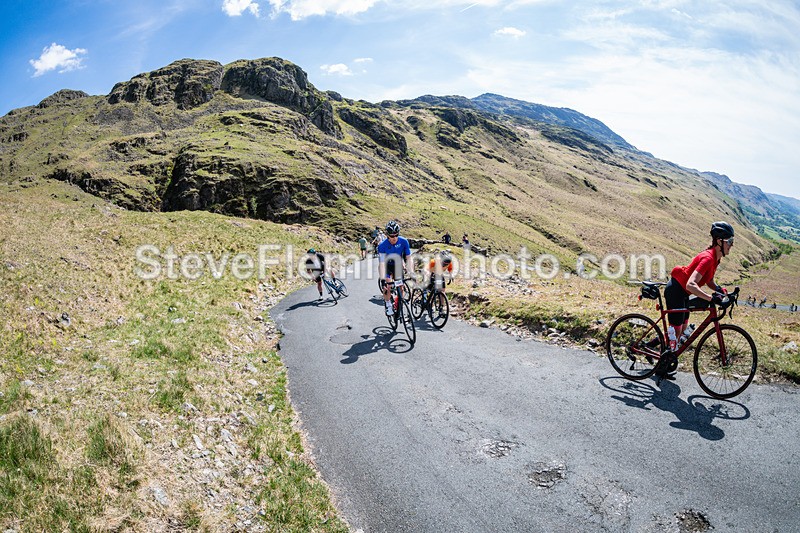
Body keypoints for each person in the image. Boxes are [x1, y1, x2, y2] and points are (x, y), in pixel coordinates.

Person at [658, 221, 735, 379]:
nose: (731, 246)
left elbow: (709, 280)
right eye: (730, 242)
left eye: (732, 242)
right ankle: (661, 365)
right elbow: (691, 284)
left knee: (682, 329)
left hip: (683, 292)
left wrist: (721, 291)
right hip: (676, 290)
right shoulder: (708, 258)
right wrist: (711, 298)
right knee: (677, 330)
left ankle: (658, 348)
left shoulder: (715, 259)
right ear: (719, 241)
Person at [377, 220, 413, 316]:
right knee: (388, 286)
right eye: (392, 236)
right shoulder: (382, 246)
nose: (394, 238)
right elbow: (381, 263)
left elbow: (409, 258)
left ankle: (398, 302)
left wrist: (411, 272)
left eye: (396, 235)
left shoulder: (404, 241)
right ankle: (388, 305)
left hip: (397, 265)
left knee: (400, 287)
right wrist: (383, 279)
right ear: (387, 235)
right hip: (386, 266)